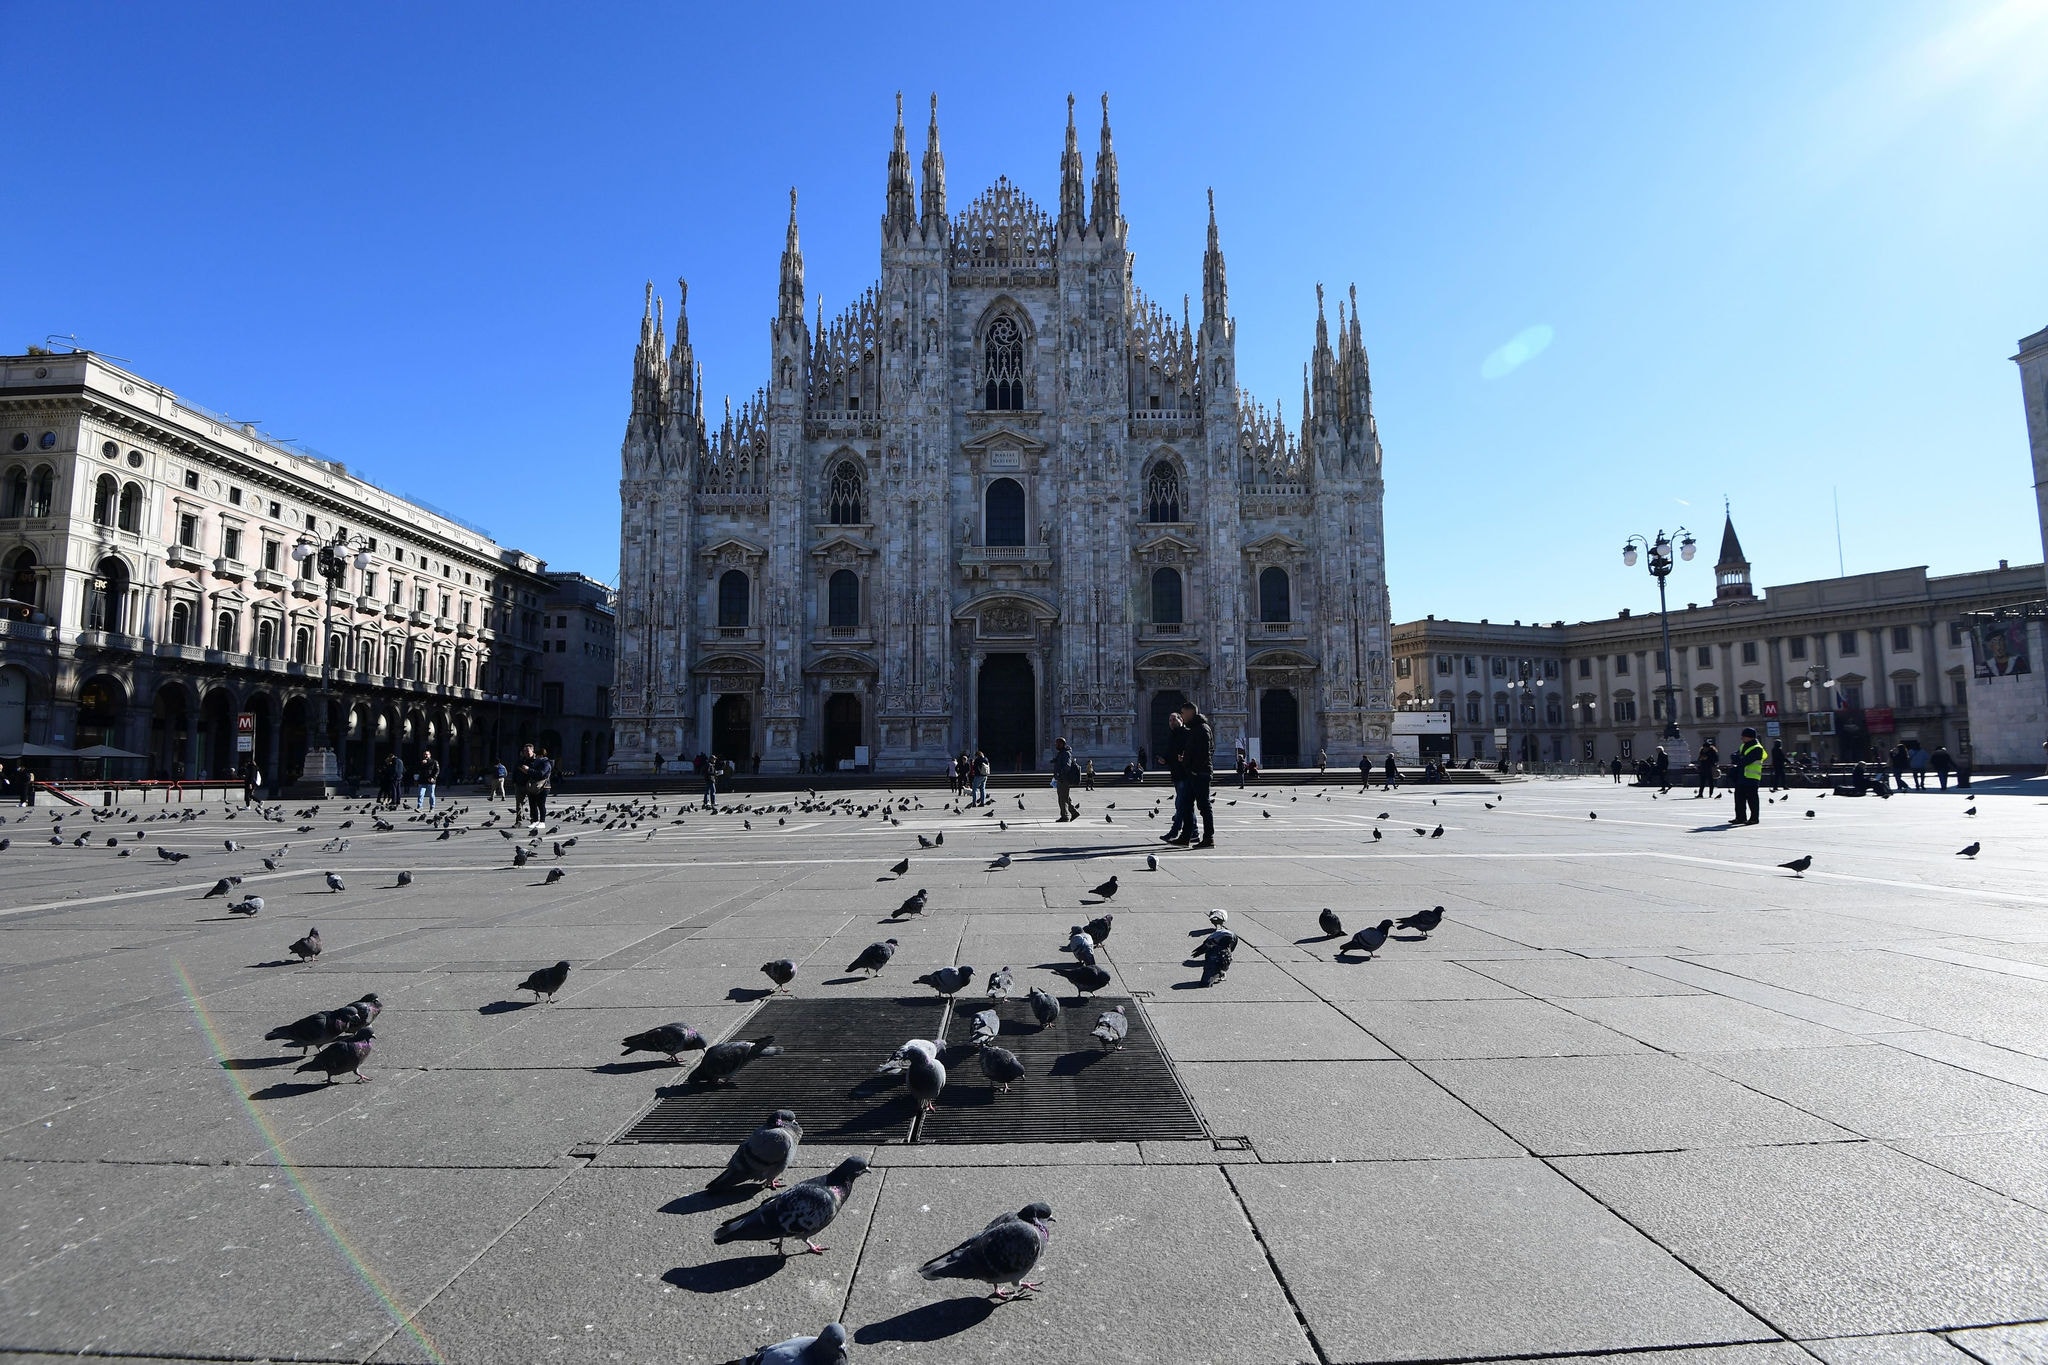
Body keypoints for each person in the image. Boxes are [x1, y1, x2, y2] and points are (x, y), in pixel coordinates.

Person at [1177, 701, 1216, 847]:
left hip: (1200, 774)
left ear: (1190, 712)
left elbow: (1205, 752)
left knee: (1204, 806)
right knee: (1186, 805)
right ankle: (1185, 837)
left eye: (1183, 713)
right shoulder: (1195, 728)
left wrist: (1194, 769)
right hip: (1194, 772)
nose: (1182, 716)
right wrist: (1186, 759)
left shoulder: (1202, 728)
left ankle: (1208, 838)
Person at [1163, 711, 1191, 843]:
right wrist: (1165, 759)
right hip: (1176, 774)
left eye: (1174, 719)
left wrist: (1185, 758)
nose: (1171, 722)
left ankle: (1175, 831)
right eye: (1170, 720)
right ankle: (1194, 831)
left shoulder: (1187, 734)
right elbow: (1170, 753)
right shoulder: (1171, 735)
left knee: (1181, 803)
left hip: (1185, 773)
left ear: (1181, 720)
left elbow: (1191, 751)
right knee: (1185, 805)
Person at [1731, 727, 1766, 826]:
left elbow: (1745, 760)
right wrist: (1738, 758)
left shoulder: (1757, 748)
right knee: (1739, 798)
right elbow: (1735, 756)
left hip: (1751, 777)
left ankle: (1754, 818)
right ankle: (1740, 817)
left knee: (1752, 799)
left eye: (1743, 736)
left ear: (1750, 737)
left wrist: (1739, 758)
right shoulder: (1743, 746)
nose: (1741, 738)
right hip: (1741, 776)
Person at [1052, 738, 1082, 821]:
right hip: (1061, 778)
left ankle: (1065, 816)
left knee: (1062, 798)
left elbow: (1067, 766)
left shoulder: (1066, 753)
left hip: (1063, 779)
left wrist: (1060, 774)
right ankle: (1074, 812)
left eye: (1057, 743)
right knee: (1065, 797)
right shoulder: (1062, 753)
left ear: (1062, 744)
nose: (1056, 745)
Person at [527, 746, 554, 824]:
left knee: (540, 804)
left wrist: (529, 770)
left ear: (541, 755)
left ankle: (542, 822)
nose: (536, 756)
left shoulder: (546, 763)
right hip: (535, 785)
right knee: (532, 804)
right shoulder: (537, 763)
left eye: (537, 755)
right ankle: (535, 820)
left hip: (544, 786)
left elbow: (541, 773)